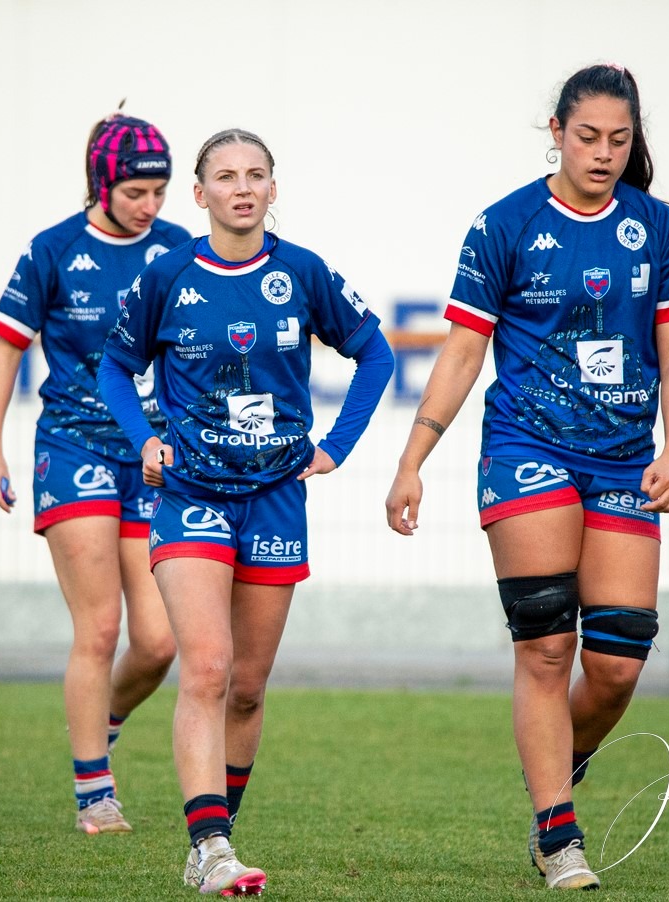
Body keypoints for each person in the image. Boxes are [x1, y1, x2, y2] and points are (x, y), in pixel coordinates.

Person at [384, 64, 669, 891]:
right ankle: (557, 833)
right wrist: (412, 459)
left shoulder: (660, 229)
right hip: (527, 447)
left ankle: (561, 766)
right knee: (546, 644)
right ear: (556, 132)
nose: (602, 153)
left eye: (618, 139)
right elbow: (461, 353)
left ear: (634, 142)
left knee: (617, 664)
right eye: (587, 136)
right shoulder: (505, 225)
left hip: (623, 459)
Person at [99, 127, 394, 896]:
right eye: (224, 176)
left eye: (255, 175)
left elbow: (375, 352)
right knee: (204, 665)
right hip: (191, 496)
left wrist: (336, 445)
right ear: (198, 195)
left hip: (274, 496)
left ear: (271, 189)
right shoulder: (165, 274)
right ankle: (211, 847)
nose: (241, 188)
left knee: (250, 684)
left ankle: (214, 838)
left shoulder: (301, 271)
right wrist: (143, 439)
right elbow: (112, 365)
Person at [0, 112, 190, 835]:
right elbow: (6, 348)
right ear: (101, 182)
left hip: (153, 460)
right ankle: (94, 792)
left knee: (158, 642)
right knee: (98, 628)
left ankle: (101, 721)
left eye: (159, 191)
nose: (149, 205)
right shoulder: (54, 250)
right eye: (135, 190)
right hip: (73, 450)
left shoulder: (178, 250)